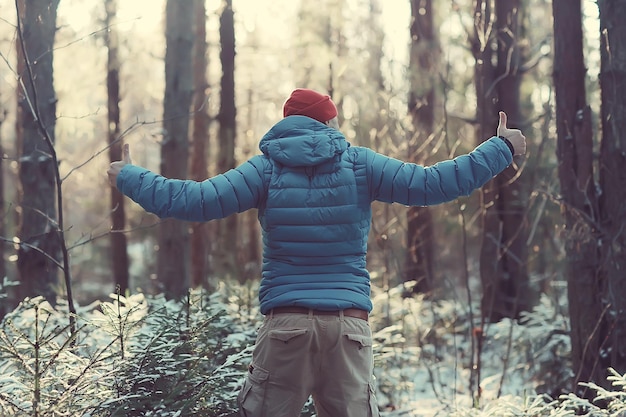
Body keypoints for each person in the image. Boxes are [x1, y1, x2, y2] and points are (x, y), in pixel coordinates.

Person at [107, 88, 526, 417]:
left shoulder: (264, 169)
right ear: (329, 122)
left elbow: (192, 200)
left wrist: (129, 176)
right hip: (348, 330)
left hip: (286, 326)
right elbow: (436, 183)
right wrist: (500, 148)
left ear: (287, 122)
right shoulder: (360, 164)